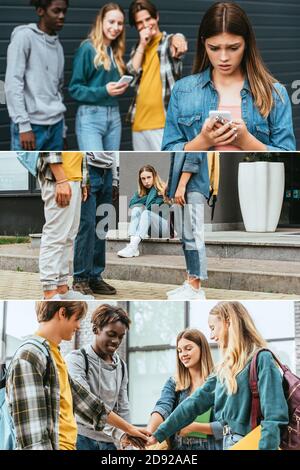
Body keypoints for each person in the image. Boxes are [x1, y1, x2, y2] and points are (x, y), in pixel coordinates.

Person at [6, 301, 149, 450]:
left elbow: (88, 404)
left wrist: (128, 429)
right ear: (62, 313)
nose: (79, 326)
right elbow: (33, 439)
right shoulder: (30, 356)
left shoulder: (53, 355)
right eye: (77, 319)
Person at [148, 301, 289, 451]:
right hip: (228, 443)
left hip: (251, 443)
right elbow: (192, 404)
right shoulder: (224, 369)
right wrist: (158, 434)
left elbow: (274, 418)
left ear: (228, 321)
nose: (212, 336)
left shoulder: (262, 359)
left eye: (213, 328)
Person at [162, 2, 296, 152]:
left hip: (252, 174)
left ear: (246, 44)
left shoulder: (274, 93)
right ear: (203, 44)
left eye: (233, 48)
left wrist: (247, 142)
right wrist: (202, 141)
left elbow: (289, 154)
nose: (223, 57)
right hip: (204, 176)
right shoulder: (182, 91)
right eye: (214, 48)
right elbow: (168, 150)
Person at [66, 304, 132, 450]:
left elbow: (123, 406)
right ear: (96, 329)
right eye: (111, 334)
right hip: (81, 439)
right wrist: (120, 432)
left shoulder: (121, 365)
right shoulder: (76, 359)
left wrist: (128, 439)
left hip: (109, 442)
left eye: (121, 337)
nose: (116, 341)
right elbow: (86, 407)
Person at [5, 0, 68, 151]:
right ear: (41, 11)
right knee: (24, 174)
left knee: (50, 175)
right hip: (31, 126)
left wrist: (63, 132)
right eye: (56, 11)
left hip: (56, 126)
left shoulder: (58, 45)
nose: (62, 16)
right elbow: (13, 83)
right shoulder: (24, 37)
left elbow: (57, 90)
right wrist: (23, 125)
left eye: (64, 11)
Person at [147, 329, 223, 450]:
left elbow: (227, 427)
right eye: (179, 351)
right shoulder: (174, 383)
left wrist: (193, 426)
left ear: (202, 348)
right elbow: (162, 407)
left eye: (188, 348)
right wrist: (149, 432)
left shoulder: (219, 381)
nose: (183, 354)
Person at [126, 0, 188, 151]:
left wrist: (178, 39)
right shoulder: (138, 49)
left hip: (163, 124)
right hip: (138, 124)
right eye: (139, 22)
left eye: (148, 19)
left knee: (162, 167)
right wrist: (142, 44)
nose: (145, 24)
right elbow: (131, 75)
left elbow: (178, 40)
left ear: (157, 17)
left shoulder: (168, 42)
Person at [69, 3, 128, 150]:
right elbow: (74, 89)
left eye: (120, 23)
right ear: (100, 21)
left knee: (112, 167)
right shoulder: (87, 48)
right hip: (91, 117)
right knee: (95, 165)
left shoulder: (115, 51)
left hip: (114, 116)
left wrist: (119, 87)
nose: (116, 27)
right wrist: (105, 91)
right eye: (111, 22)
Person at [38, 152, 94, 300]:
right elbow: (48, 148)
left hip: (74, 177)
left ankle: (62, 287)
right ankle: (49, 291)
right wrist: (61, 179)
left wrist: (83, 181)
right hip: (58, 177)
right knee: (55, 235)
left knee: (69, 236)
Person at [72, 152, 118, 296]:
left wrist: (115, 179)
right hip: (88, 170)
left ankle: (94, 277)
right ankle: (80, 278)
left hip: (108, 172)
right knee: (87, 225)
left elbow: (112, 151)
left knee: (101, 228)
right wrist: (82, 177)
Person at [166, 152, 209, 300]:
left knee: (194, 236)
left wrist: (182, 185)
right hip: (182, 186)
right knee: (186, 237)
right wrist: (171, 187)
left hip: (192, 186)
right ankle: (191, 282)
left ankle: (195, 288)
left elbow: (194, 156)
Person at [117, 164, 169, 258]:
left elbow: (150, 206)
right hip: (150, 230)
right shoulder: (142, 191)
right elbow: (132, 204)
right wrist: (148, 197)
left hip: (165, 227)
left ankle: (132, 247)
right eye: (143, 179)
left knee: (146, 213)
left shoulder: (163, 190)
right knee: (136, 209)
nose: (146, 181)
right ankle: (134, 247)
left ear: (155, 176)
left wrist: (154, 190)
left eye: (149, 177)